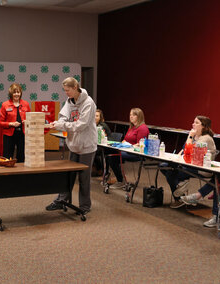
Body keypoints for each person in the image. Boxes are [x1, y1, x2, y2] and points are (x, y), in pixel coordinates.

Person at [45, 77, 97, 215]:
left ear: (75, 88)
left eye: (68, 90)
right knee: (68, 174)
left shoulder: (88, 103)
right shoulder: (69, 101)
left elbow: (81, 125)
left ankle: (85, 206)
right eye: (64, 90)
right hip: (74, 144)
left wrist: (62, 125)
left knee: (84, 178)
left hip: (86, 146)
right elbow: (63, 115)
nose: (66, 93)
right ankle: (61, 200)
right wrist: (60, 122)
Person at [161, 115, 216, 208]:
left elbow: (189, 152)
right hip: (189, 164)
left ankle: (178, 197)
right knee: (163, 165)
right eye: (193, 122)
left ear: (204, 126)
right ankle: (180, 186)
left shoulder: (206, 138)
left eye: (196, 123)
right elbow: (184, 150)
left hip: (201, 168)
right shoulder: (194, 136)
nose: (193, 124)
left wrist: (190, 136)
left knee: (171, 172)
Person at [108, 108, 150, 189]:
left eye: (133, 115)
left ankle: (121, 181)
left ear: (139, 116)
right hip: (127, 150)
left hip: (136, 154)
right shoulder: (131, 127)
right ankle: (116, 178)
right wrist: (124, 144)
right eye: (130, 115)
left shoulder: (143, 128)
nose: (131, 116)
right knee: (110, 154)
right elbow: (124, 140)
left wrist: (129, 146)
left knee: (113, 157)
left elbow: (140, 144)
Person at [0, 83, 31, 163]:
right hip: (9, 135)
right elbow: (1, 122)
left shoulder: (25, 104)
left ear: (20, 93)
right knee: (7, 156)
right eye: (14, 92)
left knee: (21, 156)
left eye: (18, 92)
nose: (16, 94)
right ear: (11, 94)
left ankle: (20, 174)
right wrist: (11, 124)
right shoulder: (5, 105)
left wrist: (26, 121)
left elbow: (30, 118)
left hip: (22, 134)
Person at [92, 109, 111, 176]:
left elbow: (109, 137)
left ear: (100, 118)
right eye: (94, 115)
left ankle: (101, 169)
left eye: (97, 116)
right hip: (96, 145)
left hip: (105, 146)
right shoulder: (91, 125)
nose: (95, 117)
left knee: (92, 151)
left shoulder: (103, 125)